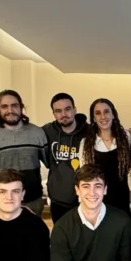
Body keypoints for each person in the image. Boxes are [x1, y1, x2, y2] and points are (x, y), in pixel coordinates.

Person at [0, 90, 49, 218]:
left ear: (21, 107)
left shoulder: (37, 132)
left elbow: (51, 162)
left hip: (33, 200)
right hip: (4, 201)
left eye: (14, 105)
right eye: (4, 106)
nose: (10, 110)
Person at [77, 98, 131, 217]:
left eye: (106, 112)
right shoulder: (86, 143)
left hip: (121, 198)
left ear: (113, 115)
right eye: (98, 113)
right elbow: (84, 177)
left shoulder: (126, 138)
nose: (103, 116)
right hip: (97, 199)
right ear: (93, 118)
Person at [43, 93, 89, 222]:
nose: (63, 114)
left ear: (74, 110)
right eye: (58, 111)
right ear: (54, 114)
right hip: (59, 199)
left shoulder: (90, 131)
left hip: (85, 199)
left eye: (67, 109)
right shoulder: (47, 131)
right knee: (61, 237)